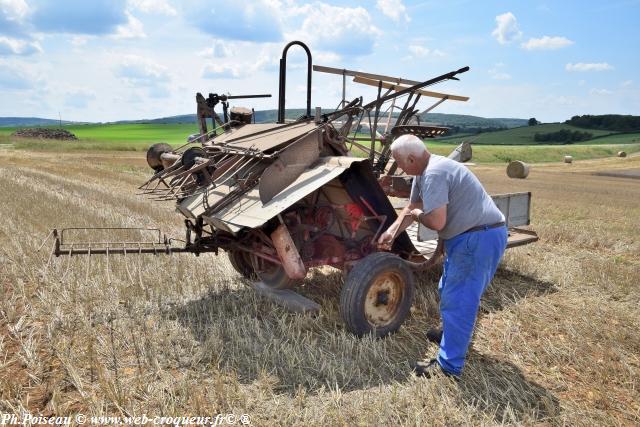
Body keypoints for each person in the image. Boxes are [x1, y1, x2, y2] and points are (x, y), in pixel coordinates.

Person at [377, 134, 508, 379]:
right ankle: (451, 335)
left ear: (412, 158)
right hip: (470, 236)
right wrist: (392, 232)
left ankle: (448, 367)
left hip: (479, 237)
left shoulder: (435, 173)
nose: (399, 168)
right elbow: (412, 204)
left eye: (400, 162)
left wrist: (417, 215)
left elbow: (436, 221)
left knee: (459, 299)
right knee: (447, 289)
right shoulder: (423, 171)